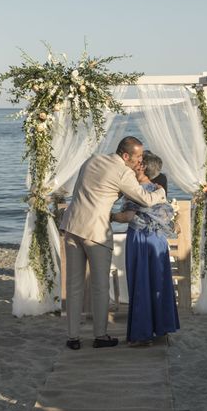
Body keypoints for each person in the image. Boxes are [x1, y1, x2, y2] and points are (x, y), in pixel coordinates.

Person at [60, 136, 167, 350]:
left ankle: (73, 337)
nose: (139, 161)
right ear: (126, 155)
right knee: (100, 286)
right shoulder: (123, 172)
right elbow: (144, 199)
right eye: (137, 157)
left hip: (71, 226)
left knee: (73, 286)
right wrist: (160, 192)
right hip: (95, 231)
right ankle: (100, 336)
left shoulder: (92, 160)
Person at [111, 151, 179, 345]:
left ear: (142, 167)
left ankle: (143, 334)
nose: (134, 165)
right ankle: (162, 328)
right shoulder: (158, 189)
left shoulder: (137, 190)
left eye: (138, 163)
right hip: (158, 240)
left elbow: (128, 217)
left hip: (141, 239)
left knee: (141, 283)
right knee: (159, 281)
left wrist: (109, 216)